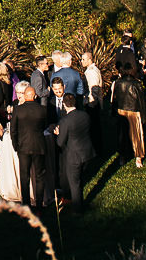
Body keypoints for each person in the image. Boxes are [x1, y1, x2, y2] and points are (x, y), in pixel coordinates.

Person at [9, 79, 49, 207]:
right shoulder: (42, 110)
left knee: (24, 176)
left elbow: (13, 131)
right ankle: (39, 203)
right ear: (35, 96)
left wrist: (16, 146)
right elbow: (44, 126)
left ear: (25, 96)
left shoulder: (18, 110)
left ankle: (26, 203)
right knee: (39, 176)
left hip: (23, 147)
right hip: (39, 146)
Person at [53, 93, 95, 209]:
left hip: (74, 156)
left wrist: (58, 134)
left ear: (64, 105)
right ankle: (80, 201)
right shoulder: (85, 115)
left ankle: (77, 209)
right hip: (87, 152)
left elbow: (60, 143)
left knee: (74, 183)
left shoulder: (65, 121)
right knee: (80, 179)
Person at [112, 69, 146, 167]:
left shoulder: (118, 83)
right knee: (136, 135)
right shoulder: (137, 84)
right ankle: (138, 158)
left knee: (122, 135)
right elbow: (141, 101)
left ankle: (122, 157)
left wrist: (113, 111)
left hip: (121, 110)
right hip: (134, 111)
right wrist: (144, 116)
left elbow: (114, 98)